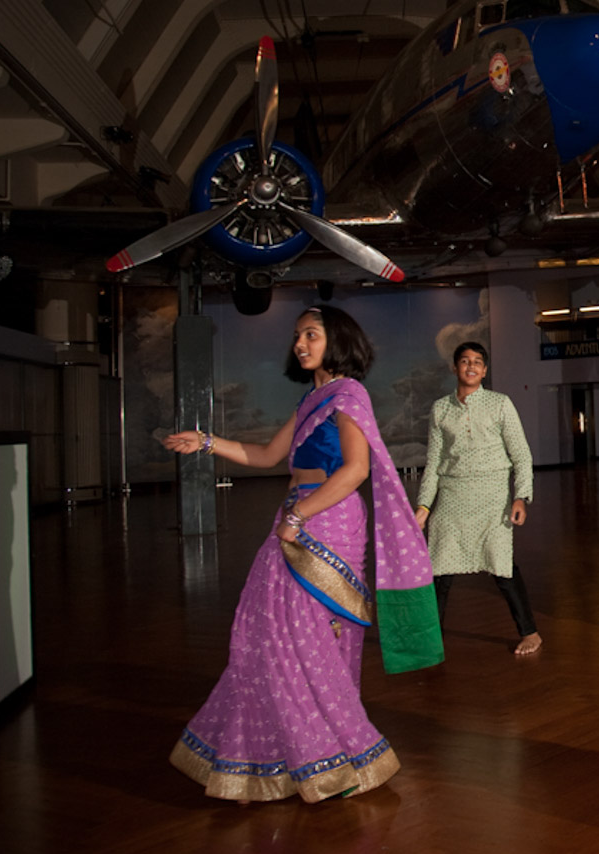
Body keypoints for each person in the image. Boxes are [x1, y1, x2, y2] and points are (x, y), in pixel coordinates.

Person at [164, 305, 437, 803]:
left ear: (337, 340)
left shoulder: (349, 395)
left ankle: (343, 757)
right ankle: (283, 757)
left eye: (311, 334)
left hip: (325, 521)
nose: (300, 343)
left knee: (306, 635)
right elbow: (267, 456)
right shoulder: (312, 399)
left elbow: (354, 470)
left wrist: (299, 515)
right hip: (295, 515)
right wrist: (206, 442)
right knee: (264, 632)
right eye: (297, 336)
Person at [414, 341, 542, 656]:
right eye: (464, 361)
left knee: (503, 569)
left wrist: (521, 496)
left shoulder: (500, 404)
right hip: (452, 497)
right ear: (455, 367)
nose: (471, 366)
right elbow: (433, 463)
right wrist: (424, 506)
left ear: (484, 370)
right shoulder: (440, 409)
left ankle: (531, 633)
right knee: (439, 573)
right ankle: (431, 638)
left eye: (477, 362)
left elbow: (521, 455)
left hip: (493, 497)